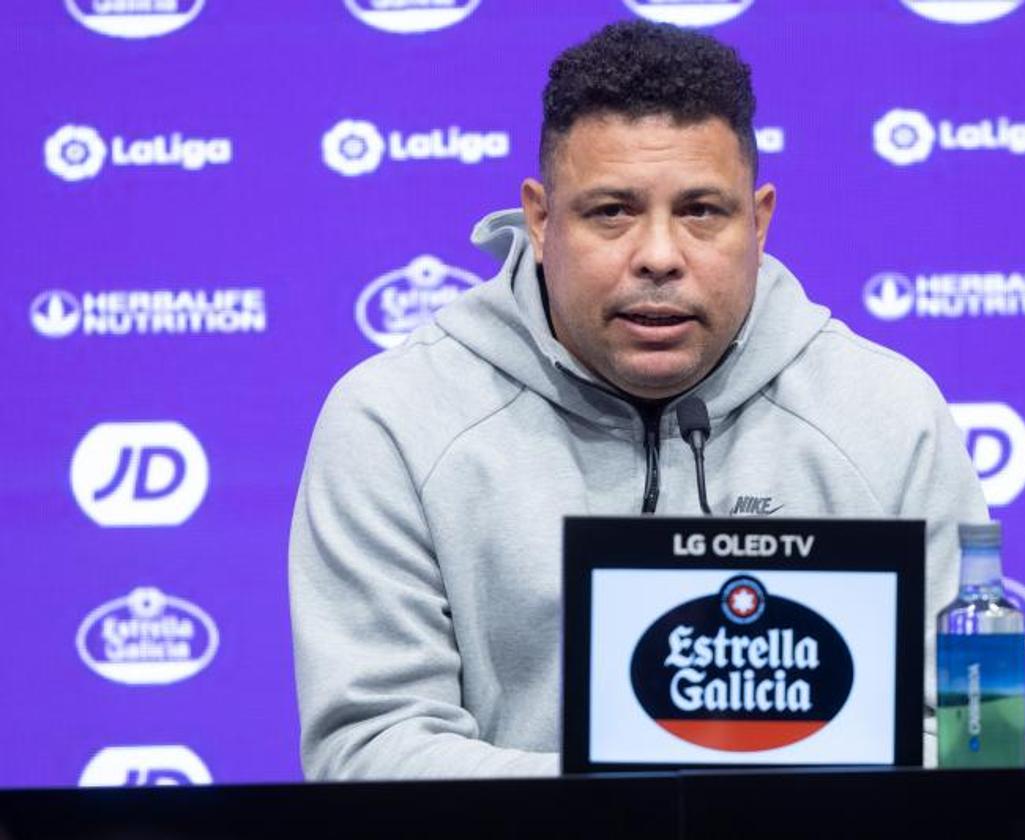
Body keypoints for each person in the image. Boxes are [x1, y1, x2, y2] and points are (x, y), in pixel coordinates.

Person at [289, 20, 988, 780]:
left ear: (759, 222)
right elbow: (368, 748)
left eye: (701, 212)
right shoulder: (392, 420)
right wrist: (648, 802)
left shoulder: (893, 415)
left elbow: (980, 733)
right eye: (612, 211)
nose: (658, 256)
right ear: (541, 218)